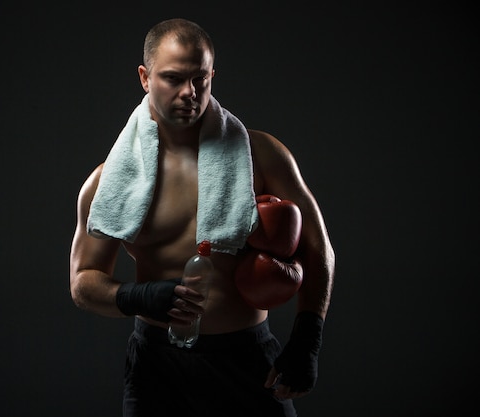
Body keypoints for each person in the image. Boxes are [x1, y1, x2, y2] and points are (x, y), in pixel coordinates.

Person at [69, 18, 335, 417]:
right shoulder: (108, 182)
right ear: (145, 77)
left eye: (200, 79)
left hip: (246, 357)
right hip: (157, 365)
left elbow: (319, 248)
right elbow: (83, 282)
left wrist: (308, 337)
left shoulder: (259, 156)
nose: (188, 93)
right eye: (173, 79)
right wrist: (136, 296)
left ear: (213, 75)